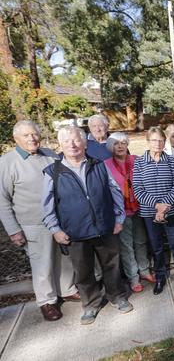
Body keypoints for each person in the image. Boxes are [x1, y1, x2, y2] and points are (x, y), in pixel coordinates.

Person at [42, 126, 132, 325]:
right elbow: (47, 205)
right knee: (83, 272)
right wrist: (55, 229)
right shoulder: (53, 172)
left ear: (84, 143)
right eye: (66, 141)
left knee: (112, 265)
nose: (72, 145)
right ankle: (90, 304)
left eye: (76, 140)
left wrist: (119, 219)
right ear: (61, 145)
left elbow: (115, 192)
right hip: (76, 232)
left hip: (105, 227)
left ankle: (117, 296)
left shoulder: (99, 165)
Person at [0, 121, 78, 322]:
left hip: (59, 220)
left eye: (34, 134)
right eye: (26, 135)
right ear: (16, 139)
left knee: (64, 259)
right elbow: (2, 200)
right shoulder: (7, 162)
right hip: (32, 223)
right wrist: (13, 230)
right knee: (42, 264)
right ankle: (47, 301)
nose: (32, 138)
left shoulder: (50, 154)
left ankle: (67, 289)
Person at [133, 127, 174, 295]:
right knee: (156, 247)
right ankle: (160, 277)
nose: (157, 143)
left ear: (164, 141)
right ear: (148, 142)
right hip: (150, 213)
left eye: (160, 140)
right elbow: (138, 189)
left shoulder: (172, 161)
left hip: (171, 211)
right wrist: (157, 206)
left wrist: (165, 205)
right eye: (154, 140)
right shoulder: (139, 162)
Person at [104, 133, 154, 293]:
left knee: (141, 241)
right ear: (111, 147)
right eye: (116, 144)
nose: (120, 146)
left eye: (123, 143)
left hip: (140, 207)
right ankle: (133, 278)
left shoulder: (136, 160)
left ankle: (145, 270)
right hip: (121, 211)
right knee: (126, 246)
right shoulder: (106, 165)